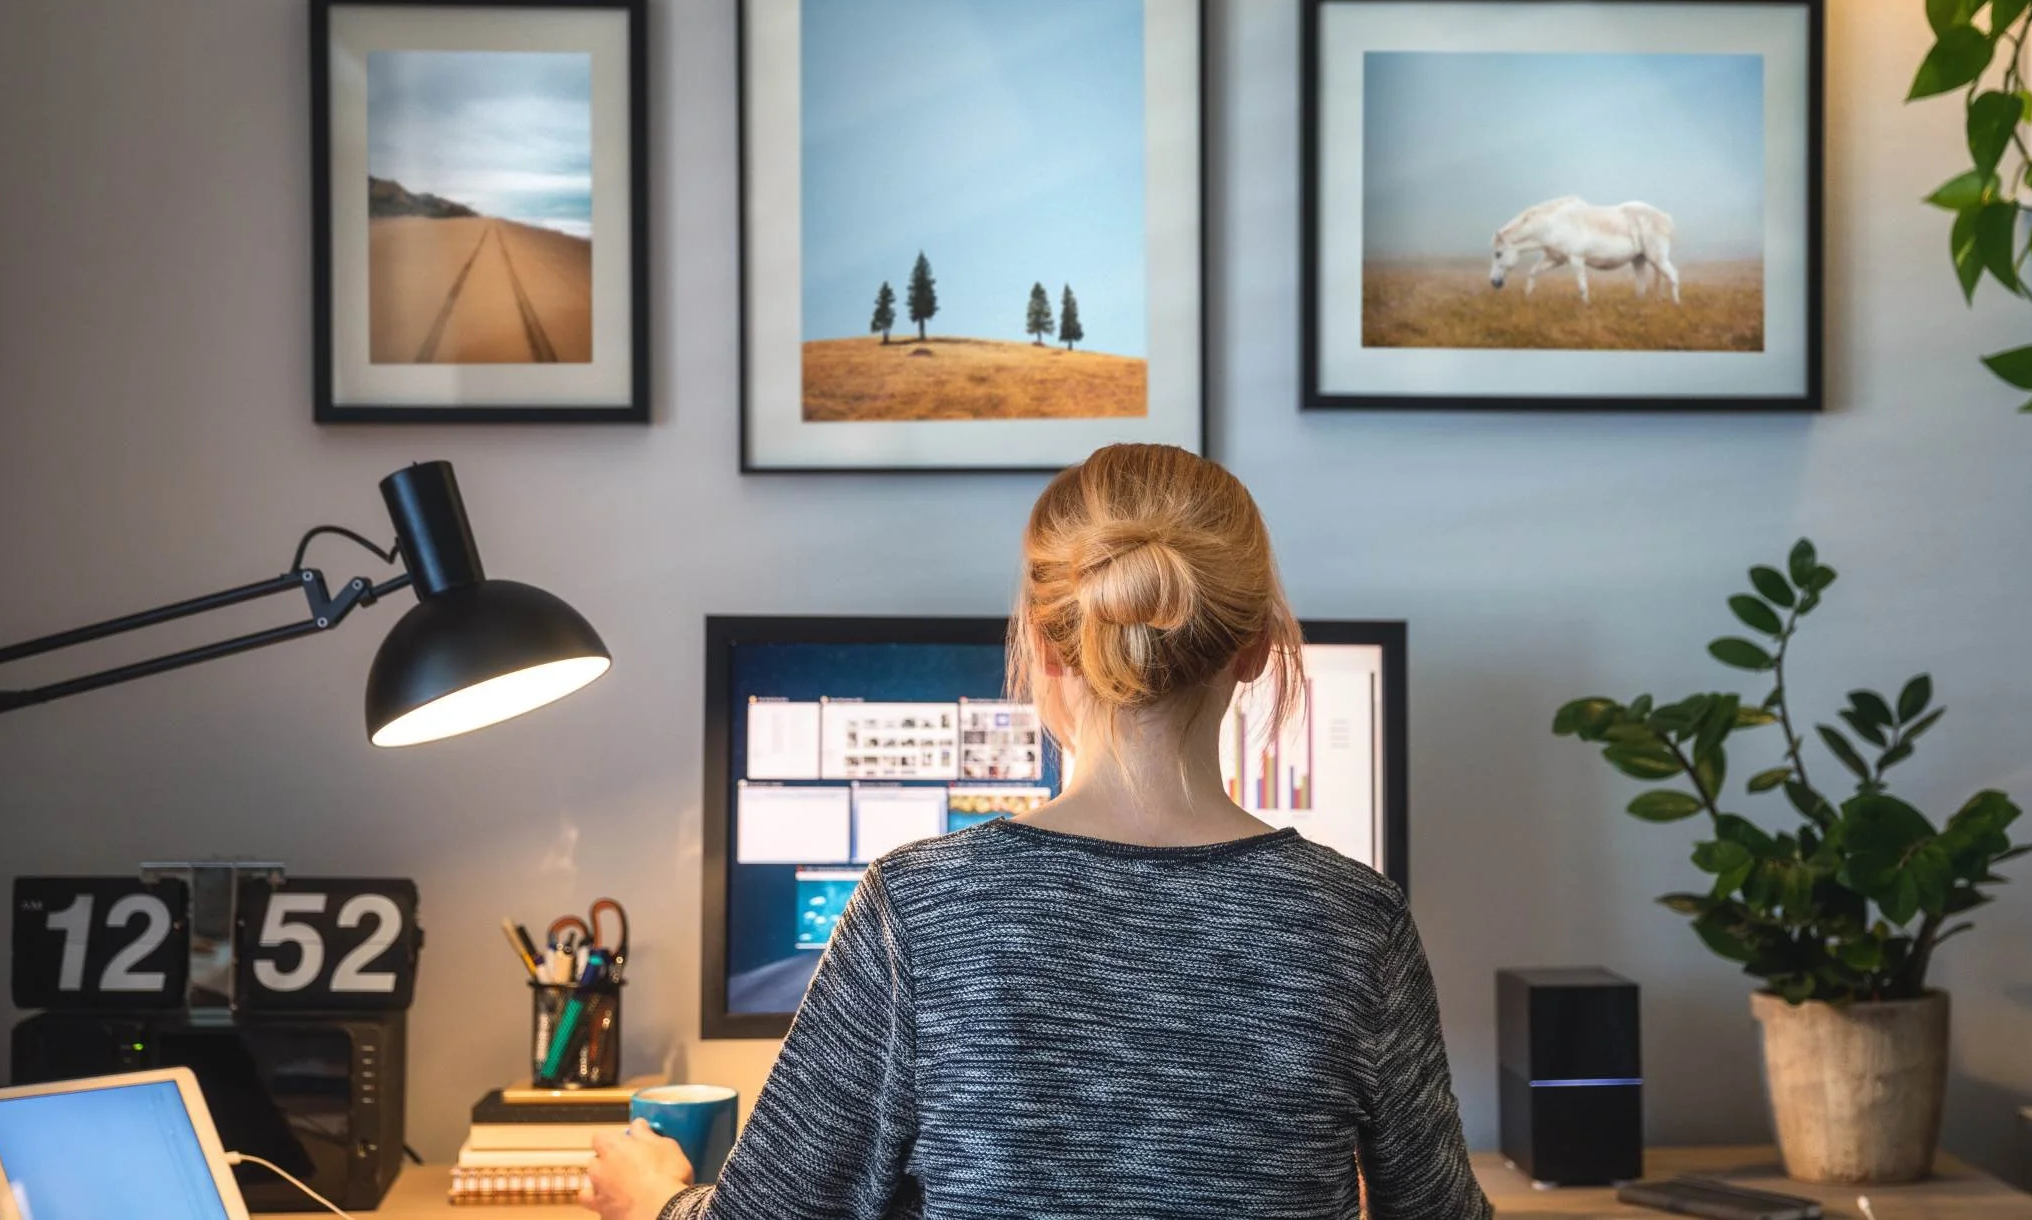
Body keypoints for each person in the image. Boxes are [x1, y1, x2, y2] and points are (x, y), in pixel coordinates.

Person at [583, 444, 1490, 1220]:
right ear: (1255, 648)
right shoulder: (1357, 921)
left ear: (1048, 646)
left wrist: (655, 1194)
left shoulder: (920, 907)